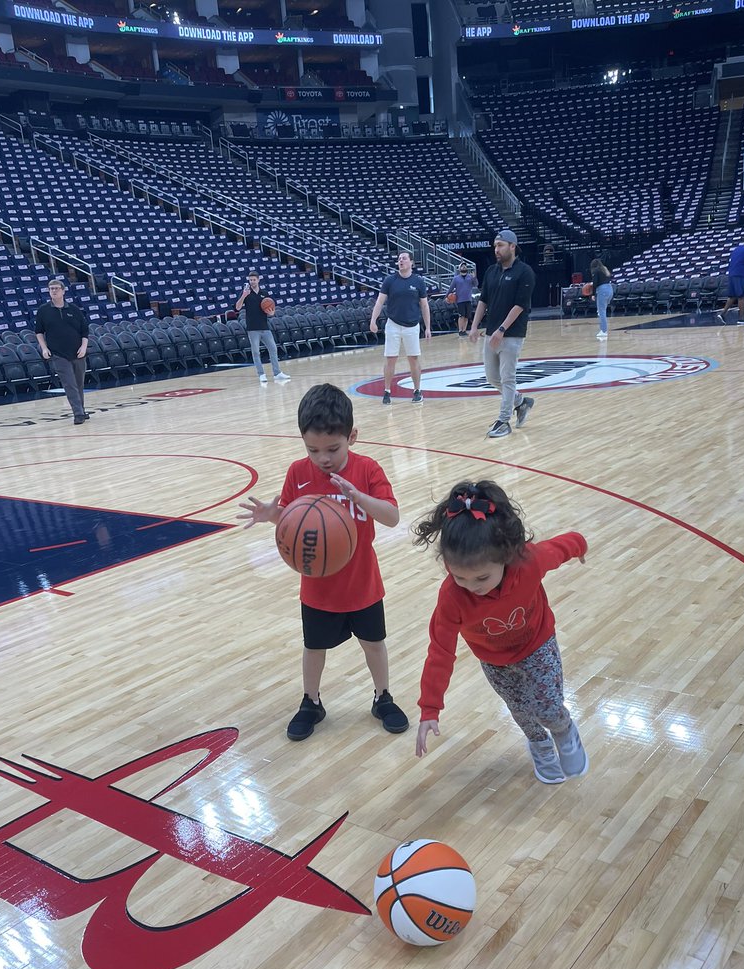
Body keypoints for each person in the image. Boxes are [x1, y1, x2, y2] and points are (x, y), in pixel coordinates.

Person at [239, 383, 409, 741]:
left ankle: (383, 697)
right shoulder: (298, 473)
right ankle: (311, 701)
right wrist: (273, 515)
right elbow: (291, 522)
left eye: (333, 448)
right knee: (314, 648)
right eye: (313, 449)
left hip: (363, 582)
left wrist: (359, 496)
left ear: (352, 437)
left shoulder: (367, 470)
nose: (323, 458)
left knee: (374, 644)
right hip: (317, 587)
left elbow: (392, 517)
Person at [412, 480, 588, 784]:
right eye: (459, 577)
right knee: (520, 712)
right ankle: (540, 746)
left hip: (537, 644)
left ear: (506, 557)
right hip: (495, 662)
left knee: (547, 707)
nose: (472, 586)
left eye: (481, 577)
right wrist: (430, 708)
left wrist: (580, 546)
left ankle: (564, 731)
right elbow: (440, 653)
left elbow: (562, 546)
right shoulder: (452, 598)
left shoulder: (528, 562)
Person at [467, 229, 535, 439]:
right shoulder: (491, 271)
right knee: (491, 377)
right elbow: (483, 300)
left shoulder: (525, 272)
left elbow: (520, 305)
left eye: (500, 245)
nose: (496, 249)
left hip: (512, 333)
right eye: (495, 246)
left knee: (507, 378)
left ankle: (504, 421)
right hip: (491, 333)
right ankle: (521, 402)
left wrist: (502, 329)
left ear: (512, 246)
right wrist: (474, 325)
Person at [369, 251, 431, 406]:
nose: (401, 261)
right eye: (399, 259)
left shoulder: (418, 282)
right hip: (393, 325)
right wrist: (373, 320)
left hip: (412, 326)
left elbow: (424, 305)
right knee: (390, 359)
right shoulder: (390, 281)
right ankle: (387, 391)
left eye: (404, 258)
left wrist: (428, 327)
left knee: (413, 359)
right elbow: (379, 302)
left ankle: (417, 391)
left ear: (411, 262)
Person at [34, 277, 90, 425]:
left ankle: (81, 410)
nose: (53, 291)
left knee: (79, 384)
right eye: (51, 289)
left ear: (63, 291)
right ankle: (78, 413)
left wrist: (84, 347)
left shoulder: (74, 309)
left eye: (56, 289)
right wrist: (44, 348)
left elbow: (85, 331)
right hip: (58, 354)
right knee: (69, 384)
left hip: (78, 353)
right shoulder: (43, 311)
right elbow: (39, 332)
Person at [235, 270, 291, 386]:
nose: (252, 282)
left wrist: (271, 313)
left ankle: (277, 373)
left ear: (258, 280)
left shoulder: (264, 293)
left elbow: (271, 309)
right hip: (252, 328)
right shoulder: (245, 293)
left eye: (254, 280)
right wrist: (243, 296)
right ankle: (261, 374)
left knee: (273, 349)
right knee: (256, 352)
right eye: (250, 280)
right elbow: (237, 307)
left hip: (264, 327)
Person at [449, 262, 476, 337]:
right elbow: (451, 288)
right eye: (462, 266)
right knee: (461, 316)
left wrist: (474, 278)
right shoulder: (456, 278)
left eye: (465, 266)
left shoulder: (470, 277)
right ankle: (460, 330)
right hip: (460, 300)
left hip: (468, 299)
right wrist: (446, 296)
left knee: (467, 316)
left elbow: (476, 284)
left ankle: (464, 330)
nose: (464, 267)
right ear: (459, 269)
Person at [590, 258, 614, 341]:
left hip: (602, 290)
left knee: (602, 311)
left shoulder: (595, 271)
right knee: (602, 310)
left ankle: (604, 331)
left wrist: (593, 294)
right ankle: (603, 329)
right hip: (610, 289)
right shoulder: (604, 269)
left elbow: (595, 283)